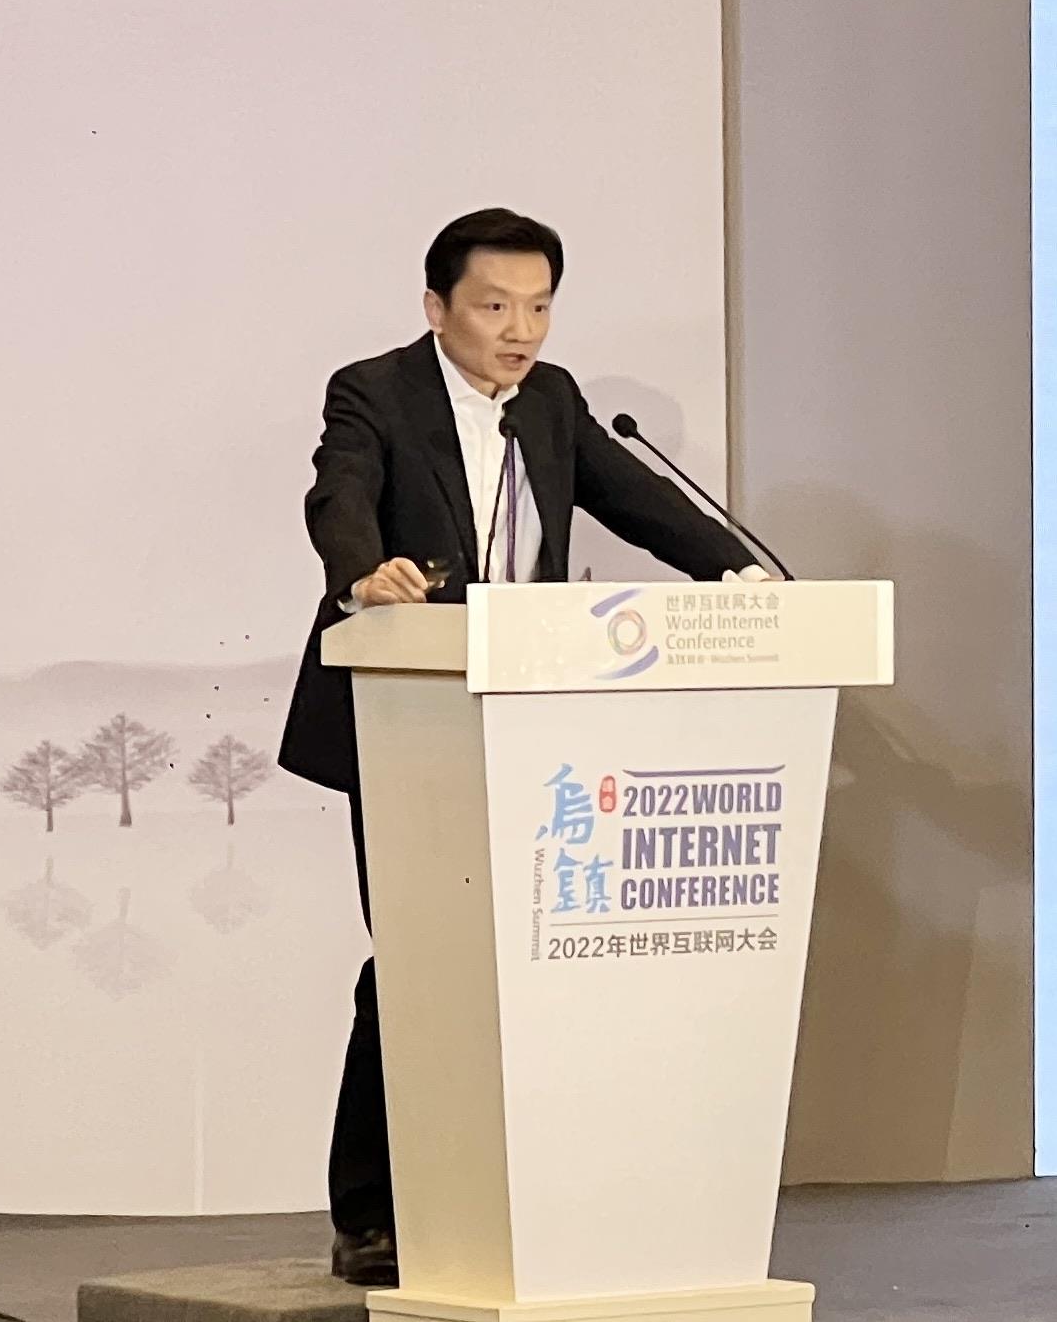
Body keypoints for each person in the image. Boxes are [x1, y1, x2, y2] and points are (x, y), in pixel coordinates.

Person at [277, 205, 760, 1290]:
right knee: (415, 960)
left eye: (539, 306)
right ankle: (372, 1212)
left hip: (537, 719)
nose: (521, 330)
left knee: (526, 965)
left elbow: (637, 500)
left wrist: (741, 573)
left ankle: (522, 1196)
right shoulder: (375, 390)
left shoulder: (552, 400)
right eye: (495, 306)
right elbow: (338, 492)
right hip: (409, 718)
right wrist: (361, 573)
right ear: (437, 305)